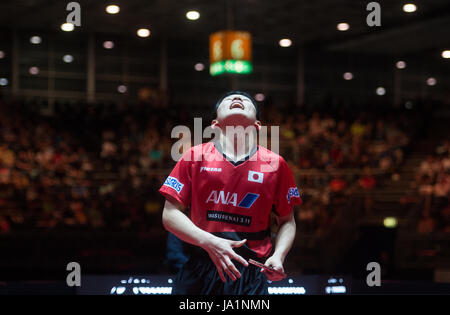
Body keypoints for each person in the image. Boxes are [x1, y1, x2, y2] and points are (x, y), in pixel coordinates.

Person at [159, 91, 302, 295]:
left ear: (257, 126)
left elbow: (287, 220)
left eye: (246, 100)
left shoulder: (276, 165)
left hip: (250, 273)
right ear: (215, 124)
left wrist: (279, 256)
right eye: (229, 100)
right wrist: (209, 241)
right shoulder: (193, 156)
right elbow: (170, 214)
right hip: (200, 269)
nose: (237, 99)